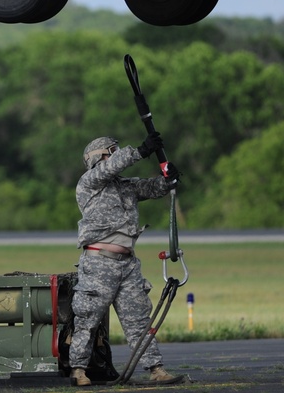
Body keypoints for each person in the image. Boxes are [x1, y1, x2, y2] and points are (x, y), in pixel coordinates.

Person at [68, 132, 181, 386]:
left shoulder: (125, 186)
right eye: (113, 151)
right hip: (99, 263)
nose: (117, 155)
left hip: (127, 264)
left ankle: (156, 369)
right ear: (100, 157)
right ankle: (78, 370)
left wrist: (168, 177)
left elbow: (154, 188)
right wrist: (140, 151)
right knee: (88, 319)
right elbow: (111, 167)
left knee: (139, 318)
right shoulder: (89, 183)